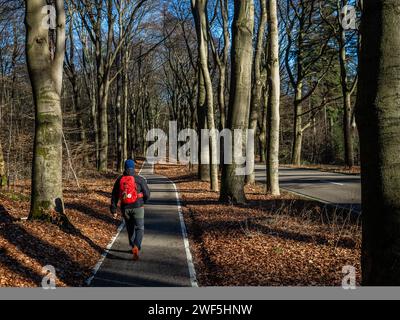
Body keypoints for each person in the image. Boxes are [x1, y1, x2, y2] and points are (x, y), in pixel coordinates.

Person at [110, 159, 150, 260]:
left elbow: (114, 195)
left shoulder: (120, 180)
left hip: (125, 208)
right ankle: (136, 246)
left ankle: (133, 245)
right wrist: (143, 201)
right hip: (138, 207)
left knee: (130, 227)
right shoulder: (139, 179)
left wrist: (113, 209)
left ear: (125, 167)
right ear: (133, 168)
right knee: (140, 228)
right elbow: (147, 194)